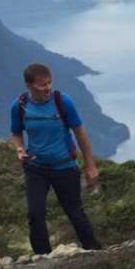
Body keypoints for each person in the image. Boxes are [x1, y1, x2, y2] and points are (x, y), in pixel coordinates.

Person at [8, 63, 101, 256]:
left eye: (49, 83)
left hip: (64, 166)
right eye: (42, 85)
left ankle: (95, 251)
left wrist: (90, 166)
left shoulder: (62, 102)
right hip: (36, 167)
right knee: (35, 214)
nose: (47, 88)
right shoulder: (19, 106)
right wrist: (19, 149)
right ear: (29, 85)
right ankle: (43, 257)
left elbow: (81, 135)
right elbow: (16, 133)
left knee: (75, 212)